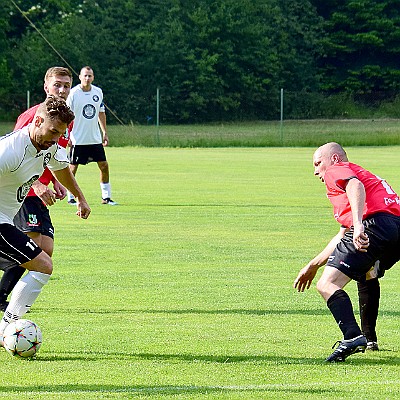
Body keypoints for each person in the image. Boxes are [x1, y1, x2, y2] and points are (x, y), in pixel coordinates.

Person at [293, 142, 400, 362]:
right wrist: (313, 265)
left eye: (317, 163)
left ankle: (352, 336)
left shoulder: (337, 170)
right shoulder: (365, 176)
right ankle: (369, 338)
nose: (315, 171)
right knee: (366, 271)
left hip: (374, 224)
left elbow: (355, 186)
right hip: (394, 228)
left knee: (327, 285)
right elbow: (343, 235)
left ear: (334, 159)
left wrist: (360, 224)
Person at [0, 95, 90, 342]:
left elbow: (61, 169)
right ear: (37, 120)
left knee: (40, 262)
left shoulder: (48, 147)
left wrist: (80, 198)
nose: (55, 138)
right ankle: (6, 329)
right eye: (53, 131)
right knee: (43, 264)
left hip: (5, 219)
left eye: (60, 134)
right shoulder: (9, 151)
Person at [0, 66, 74, 312]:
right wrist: (40, 184)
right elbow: (18, 158)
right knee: (40, 260)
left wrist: (68, 189)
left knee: (40, 254)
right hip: (14, 205)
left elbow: (56, 161)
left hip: (14, 210)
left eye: (66, 85)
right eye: (57, 85)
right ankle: (7, 321)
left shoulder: (58, 129)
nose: (62, 90)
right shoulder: (24, 128)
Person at [66, 66, 117, 205]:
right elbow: (66, 115)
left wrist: (104, 132)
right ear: (80, 77)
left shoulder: (98, 92)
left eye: (90, 76)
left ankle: (106, 197)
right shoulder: (73, 93)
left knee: (104, 166)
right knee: (72, 168)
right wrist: (67, 135)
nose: (87, 78)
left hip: (94, 138)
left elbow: (101, 112)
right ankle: (71, 197)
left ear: (93, 77)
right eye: (85, 76)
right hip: (78, 139)